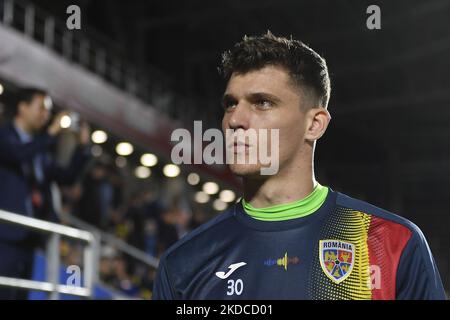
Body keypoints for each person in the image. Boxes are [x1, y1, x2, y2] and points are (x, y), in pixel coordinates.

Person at [152, 32, 446, 300]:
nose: (235, 119)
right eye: (231, 103)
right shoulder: (184, 264)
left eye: (262, 102)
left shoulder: (392, 243)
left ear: (314, 124)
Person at [0, 87, 91, 299]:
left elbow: (65, 177)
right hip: (4, 235)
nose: (46, 115)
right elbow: (17, 155)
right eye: (41, 108)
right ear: (22, 107)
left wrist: (83, 148)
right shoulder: (4, 135)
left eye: (48, 110)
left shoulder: (41, 149)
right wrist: (51, 133)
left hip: (29, 237)